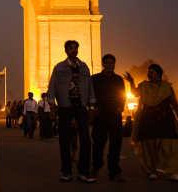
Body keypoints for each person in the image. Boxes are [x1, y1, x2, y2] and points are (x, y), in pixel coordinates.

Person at [124, 64, 178, 182]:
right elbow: (134, 93)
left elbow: (174, 103)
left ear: (159, 73)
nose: (149, 74)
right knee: (149, 146)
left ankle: (173, 172)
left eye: (152, 72)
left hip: (165, 118)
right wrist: (131, 81)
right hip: (148, 118)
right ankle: (152, 171)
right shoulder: (144, 85)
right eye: (149, 72)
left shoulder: (167, 86)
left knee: (169, 145)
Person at [47, 40, 97, 183]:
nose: (73, 50)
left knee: (86, 141)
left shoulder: (84, 67)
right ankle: (66, 171)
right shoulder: (59, 68)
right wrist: (51, 106)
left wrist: (92, 105)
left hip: (81, 107)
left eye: (75, 48)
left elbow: (90, 86)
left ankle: (84, 172)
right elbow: (52, 87)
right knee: (64, 141)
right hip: (65, 108)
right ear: (66, 50)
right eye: (70, 48)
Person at [91, 54, 126, 182]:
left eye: (112, 62)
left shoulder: (118, 79)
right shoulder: (95, 79)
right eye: (107, 62)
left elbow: (123, 95)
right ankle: (96, 167)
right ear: (103, 64)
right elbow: (91, 94)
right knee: (98, 144)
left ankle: (114, 170)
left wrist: (120, 108)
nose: (110, 65)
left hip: (115, 115)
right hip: (100, 115)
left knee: (116, 144)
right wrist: (93, 108)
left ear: (114, 64)